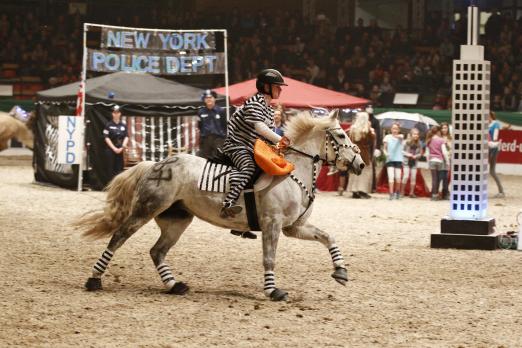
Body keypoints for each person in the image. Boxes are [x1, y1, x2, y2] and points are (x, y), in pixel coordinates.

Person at [221, 68, 290, 218]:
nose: (280, 89)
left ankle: (248, 217)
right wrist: (281, 140)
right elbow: (260, 128)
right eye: (277, 86)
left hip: (252, 147)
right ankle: (228, 204)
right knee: (248, 167)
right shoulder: (254, 103)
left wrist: (278, 148)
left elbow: (267, 137)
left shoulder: (269, 109)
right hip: (237, 145)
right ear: (267, 87)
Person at [347, 112, 375, 198]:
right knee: (365, 173)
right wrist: (372, 132)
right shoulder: (367, 130)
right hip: (364, 154)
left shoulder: (352, 129)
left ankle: (354, 191)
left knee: (354, 172)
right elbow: (372, 141)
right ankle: (362, 191)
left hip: (354, 153)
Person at [197, 89, 227, 159]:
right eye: (207, 98)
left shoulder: (221, 111)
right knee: (205, 159)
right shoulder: (200, 112)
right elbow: (200, 125)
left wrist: (223, 137)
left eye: (210, 97)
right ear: (204, 100)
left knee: (219, 159)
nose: (209, 99)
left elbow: (224, 125)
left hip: (218, 139)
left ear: (214, 99)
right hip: (205, 140)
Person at [103, 105, 128, 179]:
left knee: (119, 169)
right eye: (114, 112)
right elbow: (106, 138)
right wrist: (114, 148)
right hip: (111, 150)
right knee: (110, 168)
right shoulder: (108, 125)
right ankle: (110, 187)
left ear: (120, 114)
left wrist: (122, 147)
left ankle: (119, 187)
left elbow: (126, 136)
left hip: (120, 150)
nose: (116, 114)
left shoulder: (123, 125)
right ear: (112, 114)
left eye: (117, 112)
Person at [383, 122, 404, 200]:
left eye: (396, 128)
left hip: (398, 159)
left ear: (399, 130)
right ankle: (391, 193)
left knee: (398, 177)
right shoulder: (387, 137)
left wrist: (396, 135)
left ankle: (397, 192)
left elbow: (401, 137)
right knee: (391, 177)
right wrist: (386, 153)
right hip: (390, 159)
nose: (394, 130)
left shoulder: (401, 136)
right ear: (391, 129)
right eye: (393, 128)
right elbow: (384, 148)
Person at [426, 125, 445, 201]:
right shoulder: (441, 140)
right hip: (440, 160)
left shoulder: (429, 140)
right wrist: (447, 161)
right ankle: (436, 194)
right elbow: (444, 152)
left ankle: (433, 195)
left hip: (432, 160)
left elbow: (427, 153)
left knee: (434, 179)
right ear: (438, 131)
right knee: (439, 178)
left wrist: (428, 163)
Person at [401, 128, 422, 198]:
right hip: (406, 162)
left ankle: (411, 193)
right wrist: (408, 154)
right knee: (406, 176)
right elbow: (401, 151)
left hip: (414, 162)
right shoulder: (405, 142)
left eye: (417, 134)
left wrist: (416, 156)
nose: (416, 136)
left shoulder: (419, 143)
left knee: (413, 177)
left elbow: (420, 153)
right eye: (414, 134)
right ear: (411, 134)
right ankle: (402, 192)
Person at [488, 111, 504, 198]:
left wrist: (492, 144)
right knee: (491, 171)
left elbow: (495, 138)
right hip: (489, 148)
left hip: (493, 148)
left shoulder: (495, 124)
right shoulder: (487, 125)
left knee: (492, 171)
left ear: (490, 116)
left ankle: (501, 191)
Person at [366, 106, 382, 193]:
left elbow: (378, 135)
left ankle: (372, 187)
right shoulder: (362, 120)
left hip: (372, 146)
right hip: (364, 145)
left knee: (372, 166)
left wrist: (378, 147)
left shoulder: (375, 121)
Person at [440, 122, 452, 199]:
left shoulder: (451, 137)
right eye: (442, 128)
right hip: (441, 158)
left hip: (449, 158)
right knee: (442, 176)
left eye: (445, 128)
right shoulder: (439, 137)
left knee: (448, 176)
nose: (444, 129)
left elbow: (452, 148)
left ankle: (445, 191)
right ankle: (444, 191)